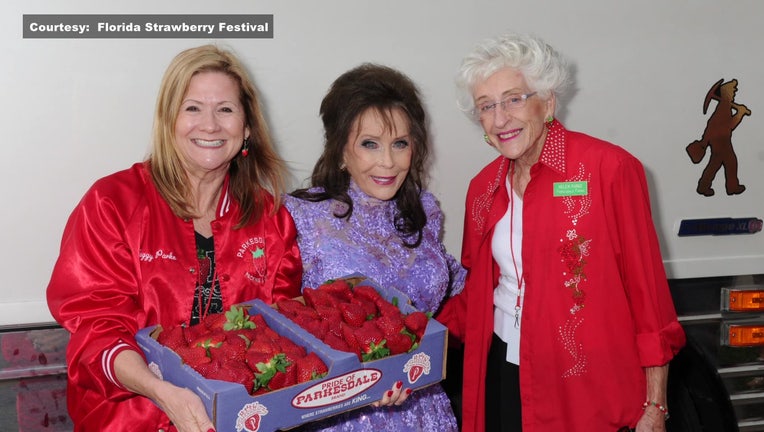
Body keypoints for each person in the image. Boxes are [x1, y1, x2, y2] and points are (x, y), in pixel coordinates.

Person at [436, 32, 687, 432]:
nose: (500, 118)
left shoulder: (609, 170)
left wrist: (655, 406)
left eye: (514, 99)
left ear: (547, 102)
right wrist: (406, 334)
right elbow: (477, 293)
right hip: (502, 370)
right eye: (486, 106)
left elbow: (649, 296)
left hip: (586, 386)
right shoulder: (483, 189)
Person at [46, 44, 302, 432]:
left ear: (247, 127)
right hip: (132, 419)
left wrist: (364, 380)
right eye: (193, 107)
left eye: (226, 110)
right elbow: (97, 330)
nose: (211, 125)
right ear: (168, 120)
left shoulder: (271, 218)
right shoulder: (112, 203)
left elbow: (287, 334)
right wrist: (161, 391)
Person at [284, 63, 465, 431]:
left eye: (400, 143)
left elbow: (456, 288)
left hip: (426, 408)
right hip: (341, 415)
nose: (388, 161)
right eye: (370, 144)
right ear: (339, 151)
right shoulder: (301, 217)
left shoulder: (422, 211)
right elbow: (278, 327)